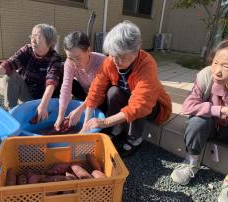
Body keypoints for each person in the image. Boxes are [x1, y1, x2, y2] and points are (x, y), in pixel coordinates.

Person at [80, 21, 172, 157]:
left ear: (135, 52)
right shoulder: (110, 61)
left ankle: (135, 139)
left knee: (138, 106)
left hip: (153, 106)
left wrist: (104, 122)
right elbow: (95, 90)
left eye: (121, 56)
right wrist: (85, 125)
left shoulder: (147, 65)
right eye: (112, 55)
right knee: (112, 92)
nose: (115, 61)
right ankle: (115, 130)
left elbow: (140, 105)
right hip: (128, 98)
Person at [0, 24, 63, 123]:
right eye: (32, 36)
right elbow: (9, 64)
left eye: (37, 37)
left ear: (49, 42)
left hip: (46, 99)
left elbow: (51, 82)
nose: (33, 40)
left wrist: (43, 105)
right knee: (10, 75)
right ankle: (11, 113)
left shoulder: (55, 58)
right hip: (27, 94)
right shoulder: (27, 50)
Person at [170, 40, 228, 192]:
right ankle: (192, 162)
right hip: (208, 128)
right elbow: (188, 106)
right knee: (197, 121)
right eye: (215, 62)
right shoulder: (206, 76)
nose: (217, 71)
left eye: (226, 66)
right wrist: (220, 110)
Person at [54, 31, 106, 131]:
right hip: (85, 92)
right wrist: (60, 115)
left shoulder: (102, 61)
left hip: (102, 97)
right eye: (70, 58)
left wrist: (79, 109)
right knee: (61, 78)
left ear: (88, 50)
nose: (74, 63)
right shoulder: (69, 63)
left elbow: (98, 93)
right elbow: (66, 87)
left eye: (78, 58)